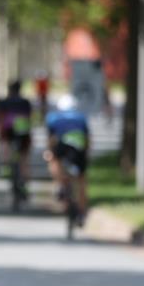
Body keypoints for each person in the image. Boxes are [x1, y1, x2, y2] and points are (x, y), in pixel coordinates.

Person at [44, 94, 91, 222]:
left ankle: (59, 184)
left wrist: (49, 152)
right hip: (78, 148)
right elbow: (87, 138)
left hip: (62, 146)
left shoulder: (53, 117)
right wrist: (87, 153)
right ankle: (82, 212)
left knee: (53, 158)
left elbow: (51, 139)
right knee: (81, 179)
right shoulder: (81, 117)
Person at [0, 80, 33, 192]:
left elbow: (1, 117)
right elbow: (29, 117)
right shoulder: (25, 102)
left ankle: (5, 165)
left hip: (9, 128)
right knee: (24, 156)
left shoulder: (5, 101)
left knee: (5, 143)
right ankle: (25, 182)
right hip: (23, 129)